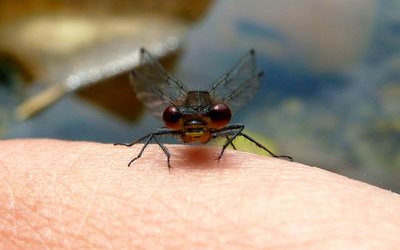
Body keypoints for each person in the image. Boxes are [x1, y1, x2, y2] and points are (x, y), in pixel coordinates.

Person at [1, 139, 399, 249]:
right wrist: (140, 151)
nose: (193, 126)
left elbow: (234, 129)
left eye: (214, 119)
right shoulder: (167, 134)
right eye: (178, 119)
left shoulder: (221, 127)